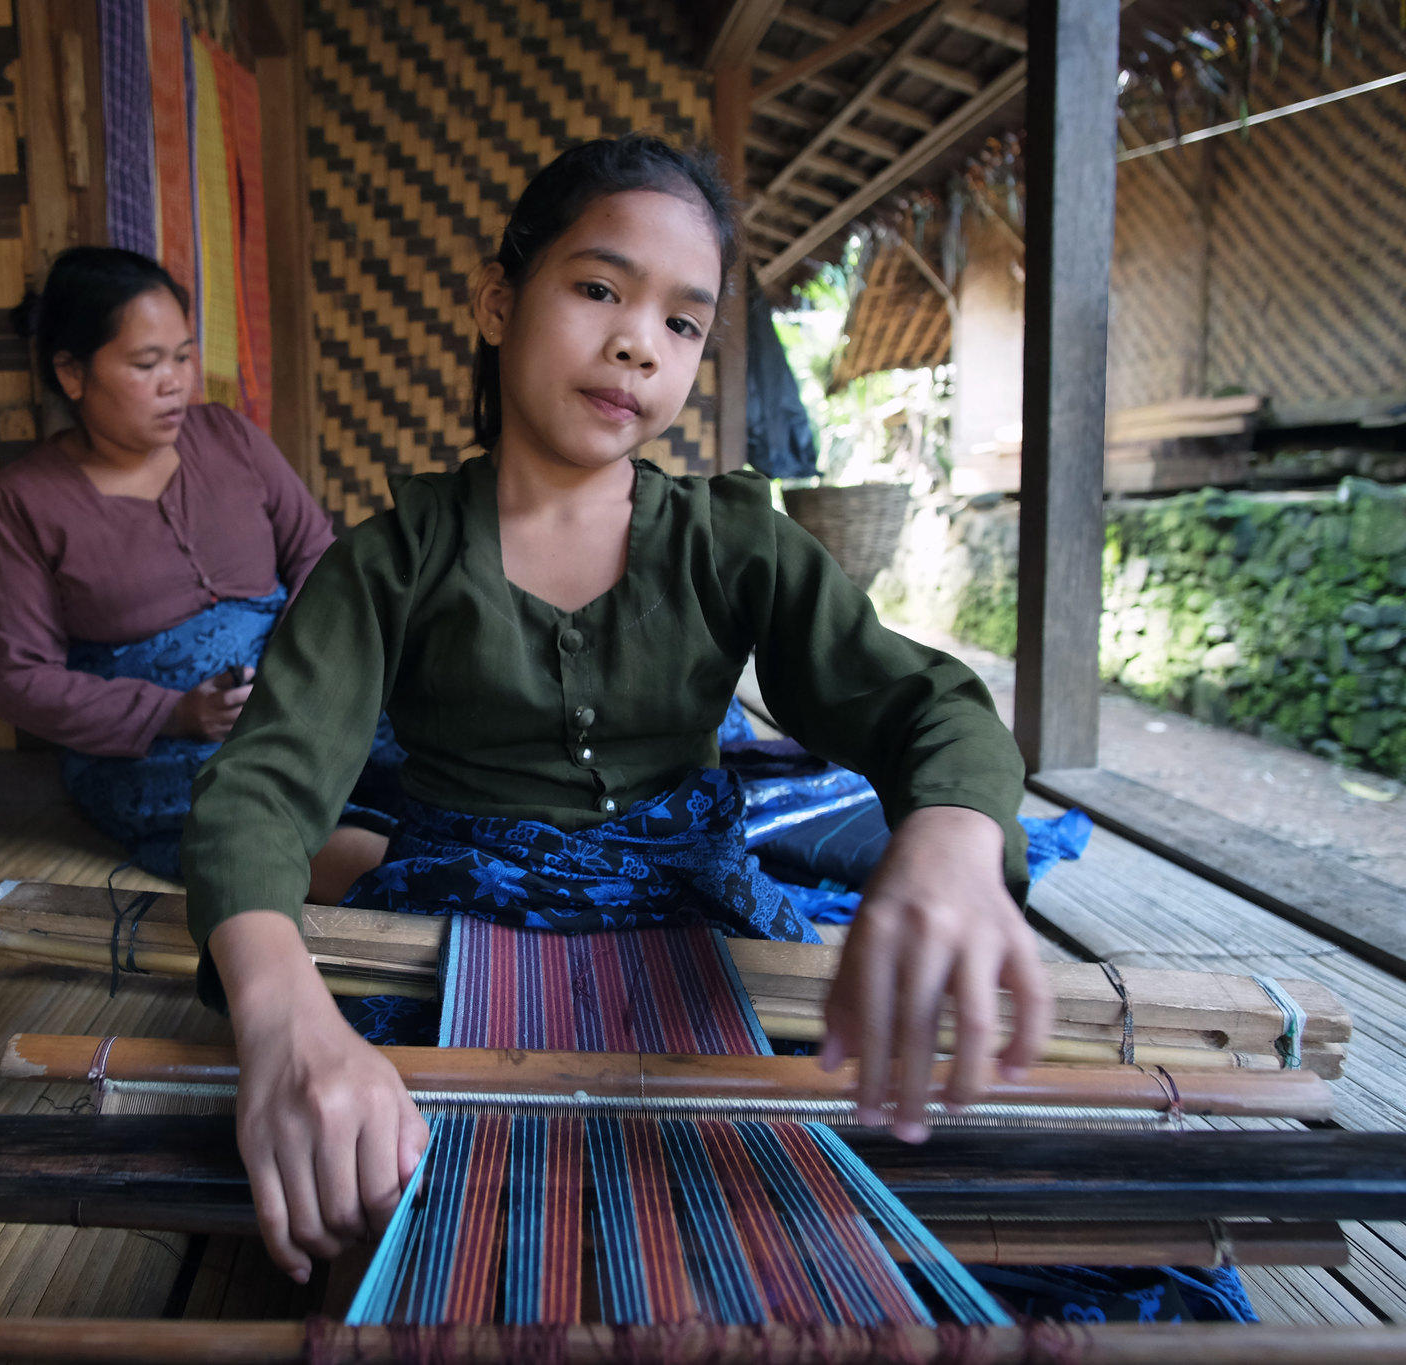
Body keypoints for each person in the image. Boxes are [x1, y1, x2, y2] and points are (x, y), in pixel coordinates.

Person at [180, 136, 1055, 1286]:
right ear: (499, 301)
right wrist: (283, 1015)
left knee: (908, 1192)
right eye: (597, 288)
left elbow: (923, 704)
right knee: (392, 1199)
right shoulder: (386, 564)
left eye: (681, 323)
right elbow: (261, 790)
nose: (637, 341)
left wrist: (947, 839)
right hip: (456, 928)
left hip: (694, 918)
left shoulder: (736, 546)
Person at [0, 246, 397, 893]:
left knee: (417, 747)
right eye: (147, 363)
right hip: (161, 749)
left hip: (301, 694)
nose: (176, 381)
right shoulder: (23, 502)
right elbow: (18, 680)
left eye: (183, 355)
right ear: (72, 372)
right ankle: (372, 872)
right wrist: (174, 711)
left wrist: (301, 660)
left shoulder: (228, 435)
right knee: (267, 812)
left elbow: (317, 551)